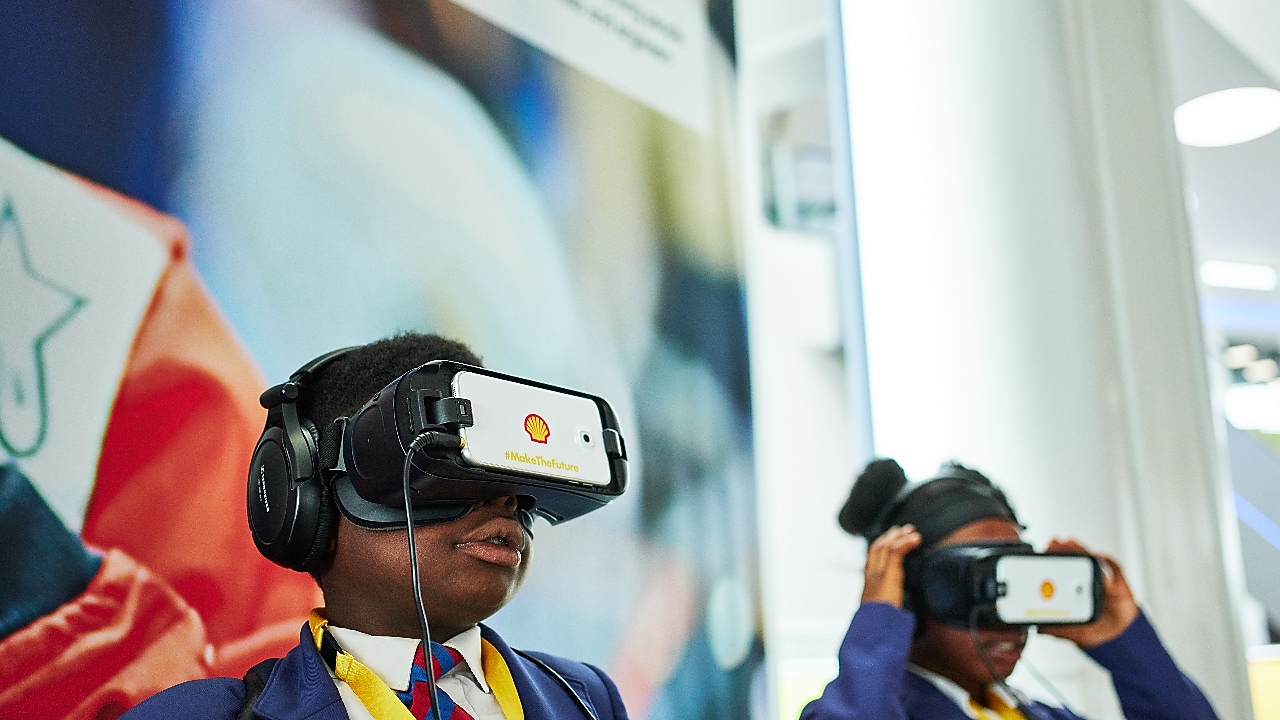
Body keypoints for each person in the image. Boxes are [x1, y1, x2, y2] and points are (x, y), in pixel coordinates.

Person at [122, 332, 628, 720]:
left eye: (509, 472)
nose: (505, 498)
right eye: (442, 465)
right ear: (307, 502)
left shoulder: (587, 699)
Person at [801, 458, 1219, 720]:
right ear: (909, 593)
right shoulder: (864, 708)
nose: (1007, 617)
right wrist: (877, 627)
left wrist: (1129, 648)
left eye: (1019, 582)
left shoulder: (1035, 714)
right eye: (978, 585)